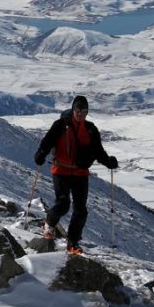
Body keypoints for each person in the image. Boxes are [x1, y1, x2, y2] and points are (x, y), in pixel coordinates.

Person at [34, 95, 118, 254]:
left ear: (87, 112)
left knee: (81, 210)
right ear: (73, 110)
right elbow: (47, 141)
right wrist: (41, 153)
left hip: (80, 174)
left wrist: (108, 162)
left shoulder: (90, 129)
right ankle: (49, 223)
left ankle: (72, 243)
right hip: (61, 171)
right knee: (63, 204)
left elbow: (98, 151)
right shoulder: (60, 125)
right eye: (78, 110)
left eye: (84, 111)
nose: (80, 113)